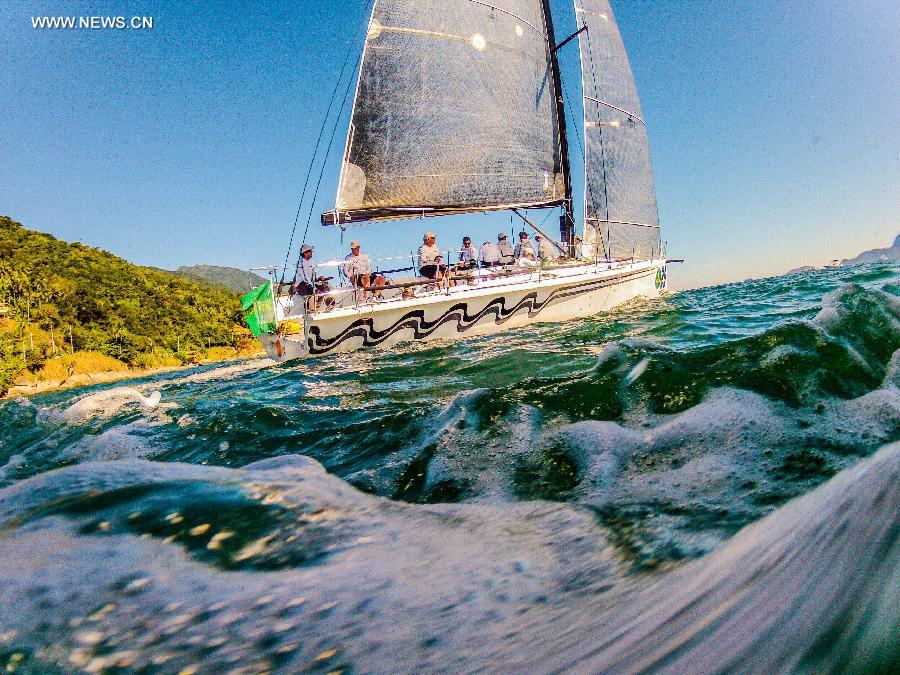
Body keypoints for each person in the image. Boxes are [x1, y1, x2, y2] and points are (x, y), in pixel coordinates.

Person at [293, 243, 317, 311]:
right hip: (301, 284)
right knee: (312, 291)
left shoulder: (310, 262)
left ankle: (316, 306)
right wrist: (312, 286)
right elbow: (305, 277)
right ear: (305, 253)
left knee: (322, 289)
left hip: (308, 282)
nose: (311, 252)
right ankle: (310, 309)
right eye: (310, 251)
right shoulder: (301, 263)